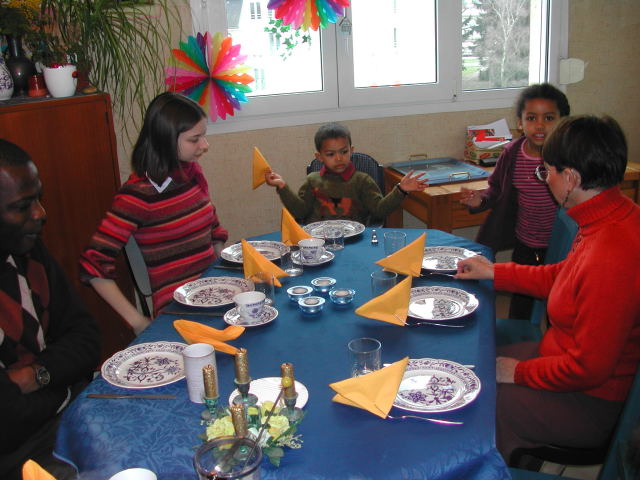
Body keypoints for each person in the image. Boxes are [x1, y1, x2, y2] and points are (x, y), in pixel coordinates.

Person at [455, 115, 640, 465]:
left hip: (590, 401)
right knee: (472, 361)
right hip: (563, 362)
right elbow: (564, 277)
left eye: (547, 171)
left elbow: (588, 369)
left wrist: (517, 373)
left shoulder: (612, 254)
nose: (545, 178)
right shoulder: (610, 215)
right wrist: (494, 271)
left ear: (571, 179)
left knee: (475, 401)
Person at [79, 92, 228, 334]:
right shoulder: (137, 196)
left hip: (215, 299)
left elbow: (214, 231)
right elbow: (93, 264)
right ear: (166, 139)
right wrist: (138, 322)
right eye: (194, 139)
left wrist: (226, 276)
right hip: (180, 314)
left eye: (203, 136)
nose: (204, 145)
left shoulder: (191, 175)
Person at [0, 140, 100, 480]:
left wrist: (35, 376)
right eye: (22, 206)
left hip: (67, 416)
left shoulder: (28, 252)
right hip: (20, 455)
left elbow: (87, 337)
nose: (40, 213)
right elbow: (6, 421)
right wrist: (66, 386)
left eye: (38, 199)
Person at [460, 83, 571, 319]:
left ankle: (553, 339)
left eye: (549, 118)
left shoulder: (568, 156)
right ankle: (519, 335)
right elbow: (496, 190)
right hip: (525, 242)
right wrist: (479, 201)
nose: (539, 125)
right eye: (531, 118)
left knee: (560, 302)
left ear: (562, 122)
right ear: (520, 123)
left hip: (561, 245)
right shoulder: (512, 154)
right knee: (521, 300)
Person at [265, 122, 428, 225]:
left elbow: (379, 210)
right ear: (319, 157)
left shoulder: (362, 181)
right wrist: (282, 186)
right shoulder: (312, 180)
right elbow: (300, 212)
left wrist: (401, 190)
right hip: (319, 243)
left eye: (343, 152)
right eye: (330, 154)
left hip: (355, 241)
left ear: (351, 150)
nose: (338, 158)